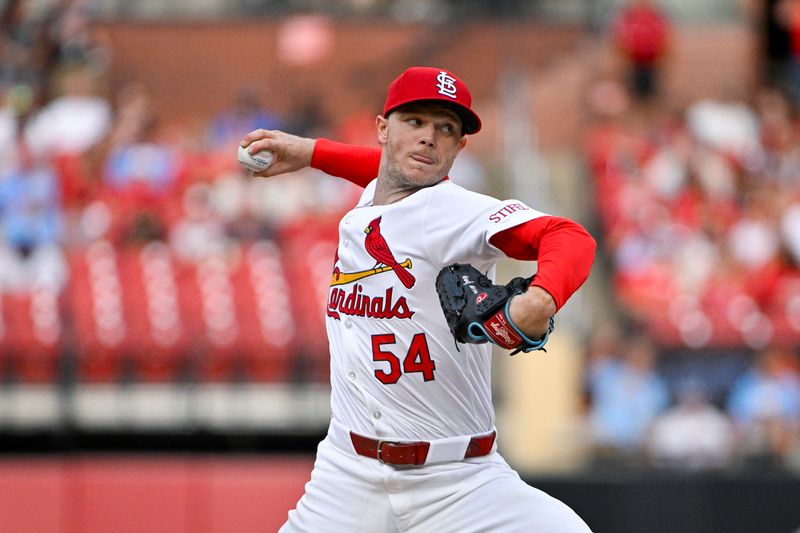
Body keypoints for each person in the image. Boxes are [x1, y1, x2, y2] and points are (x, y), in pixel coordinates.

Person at [241, 67, 595, 532]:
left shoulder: (452, 210)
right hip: (347, 474)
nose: (429, 138)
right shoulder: (377, 194)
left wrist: (540, 299)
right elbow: (385, 173)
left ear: (459, 147)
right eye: (415, 122)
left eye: (446, 129)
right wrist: (311, 152)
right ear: (383, 130)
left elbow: (568, 235)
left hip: (459, 483)